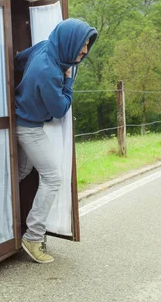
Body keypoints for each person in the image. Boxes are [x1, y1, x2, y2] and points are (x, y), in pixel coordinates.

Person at [14, 18, 98, 264]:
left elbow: (18, 61)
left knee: (21, 171)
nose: (84, 52)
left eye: (87, 46)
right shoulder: (50, 71)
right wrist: (70, 81)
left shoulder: (44, 47)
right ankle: (32, 236)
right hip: (29, 128)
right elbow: (60, 109)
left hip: (23, 122)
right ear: (69, 41)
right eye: (82, 46)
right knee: (53, 178)